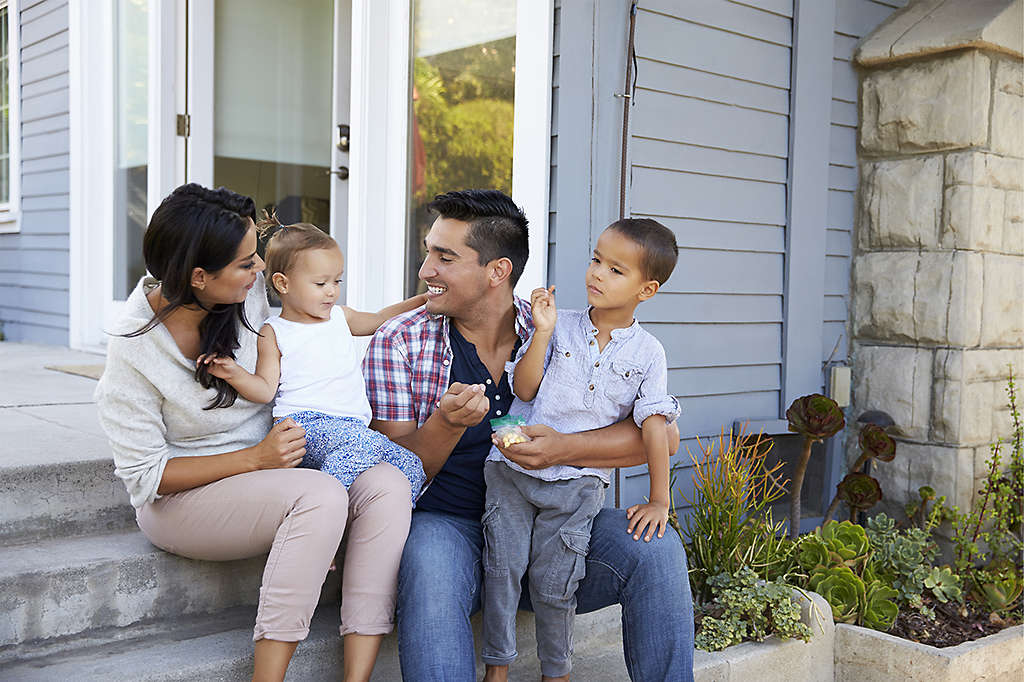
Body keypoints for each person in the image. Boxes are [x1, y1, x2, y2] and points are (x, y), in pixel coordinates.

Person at [364, 189, 696, 681]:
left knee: (657, 547)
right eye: (427, 252)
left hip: (551, 525)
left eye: (445, 256)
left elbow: (662, 438)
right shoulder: (400, 341)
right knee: (429, 565)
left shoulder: (554, 329)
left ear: (497, 271)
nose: (425, 269)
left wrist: (565, 448)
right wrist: (446, 424)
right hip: (451, 526)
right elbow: (391, 476)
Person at [94, 183, 412, 682]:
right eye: (247, 263)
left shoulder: (249, 299)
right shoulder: (133, 350)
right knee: (323, 496)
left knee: (389, 484)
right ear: (199, 276)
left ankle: (358, 677)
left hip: (279, 468)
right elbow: (147, 477)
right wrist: (256, 459)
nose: (261, 269)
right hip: (188, 498)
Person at [480, 218, 681, 681]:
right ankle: (497, 670)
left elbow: (655, 428)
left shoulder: (649, 353)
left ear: (646, 290)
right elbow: (525, 391)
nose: (596, 274)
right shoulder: (561, 325)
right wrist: (544, 332)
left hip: (575, 488)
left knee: (556, 585)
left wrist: (659, 500)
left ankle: (557, 673)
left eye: (615, 270)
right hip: (512, 471)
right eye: (596, 260)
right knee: (502, 571)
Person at [197, 214, 428, 505]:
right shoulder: (275, 331)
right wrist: (233, 373)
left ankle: (360, 515)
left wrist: (423, 301)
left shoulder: (341, 318)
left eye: (336, 281)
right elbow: (265, 390)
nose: (332, 290)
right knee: (363, 444)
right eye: (320, 283)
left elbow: (381, 319)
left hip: (350, 429)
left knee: (411, 466)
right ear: (283, 283)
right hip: (305, 426)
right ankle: (320, 505)